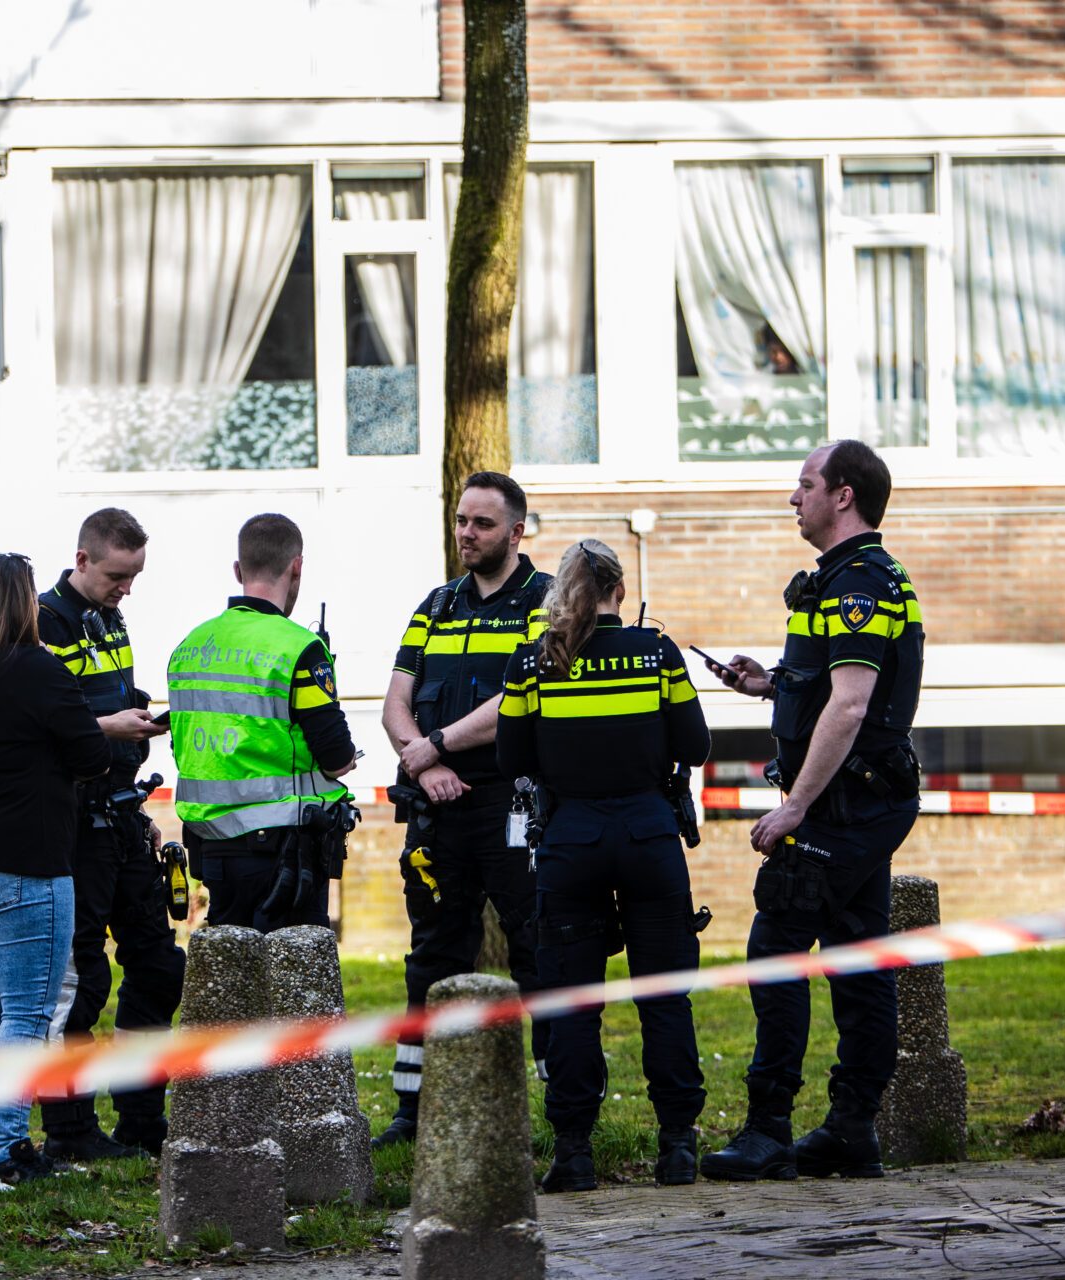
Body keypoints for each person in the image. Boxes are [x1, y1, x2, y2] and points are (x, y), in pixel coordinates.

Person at [699, 440, 925, 1183]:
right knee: (858, 958)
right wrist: (771, 683)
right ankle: (852, 1131)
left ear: (843, 495)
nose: (794, 498)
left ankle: (769, 1130)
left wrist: (795, 806)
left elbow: (853, 704)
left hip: (842, 806)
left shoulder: (859, 582)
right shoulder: (844, 577)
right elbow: (833, 683)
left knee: (777, 950)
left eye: (805, 485)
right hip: (857, 802)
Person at [496, 538, 711, 1192]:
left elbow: (511, 759)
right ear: (620, 589)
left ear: (560, 592)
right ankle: (677, 1147)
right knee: (664, 996)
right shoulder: (658, 654)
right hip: (649, 839)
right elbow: (696, 744)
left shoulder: (535, 661)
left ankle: (573, 1154)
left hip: (571, 844)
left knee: (573, 1002)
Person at [373, 472, 553, 1149]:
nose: (466, 534)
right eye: (460, 520)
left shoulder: (545, 600)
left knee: (536, 949)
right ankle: (414, 1110)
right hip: (437, 805)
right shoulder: (437, 604)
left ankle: (561, 1112)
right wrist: (427, 762)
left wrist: (438, 745)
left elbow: (523, 695)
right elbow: (395, 703)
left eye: (482, 523)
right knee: (433, 954)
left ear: (516, 532)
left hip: (512, 803)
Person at [0, 552, 110, 1191]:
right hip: (24, 862)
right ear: (21, 602)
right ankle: (7, 1151)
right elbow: (91, 756)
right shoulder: (38, 668)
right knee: (28, 1015)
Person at [33, 508, 180, 1163]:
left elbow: (105, 701)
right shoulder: (45, 622)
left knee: (158, 965)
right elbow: (42, 726)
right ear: (82, 559)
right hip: (74, 827)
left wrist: (136, 721)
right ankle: (70, 1131)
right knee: (82, 980)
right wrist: (109, 727)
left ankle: (142, 1119)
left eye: (135, 577)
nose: (127, 589)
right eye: (117, 576)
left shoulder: (109, 617)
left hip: (121, 816)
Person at [166, 513, 359, 931]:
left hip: (212, 851)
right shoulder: (300, 648)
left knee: (232, 965)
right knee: (295, 967)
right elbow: (336, 757)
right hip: (283, 854)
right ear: (296, 567)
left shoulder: (189, 647)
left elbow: (182, 742)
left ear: (238, 570)